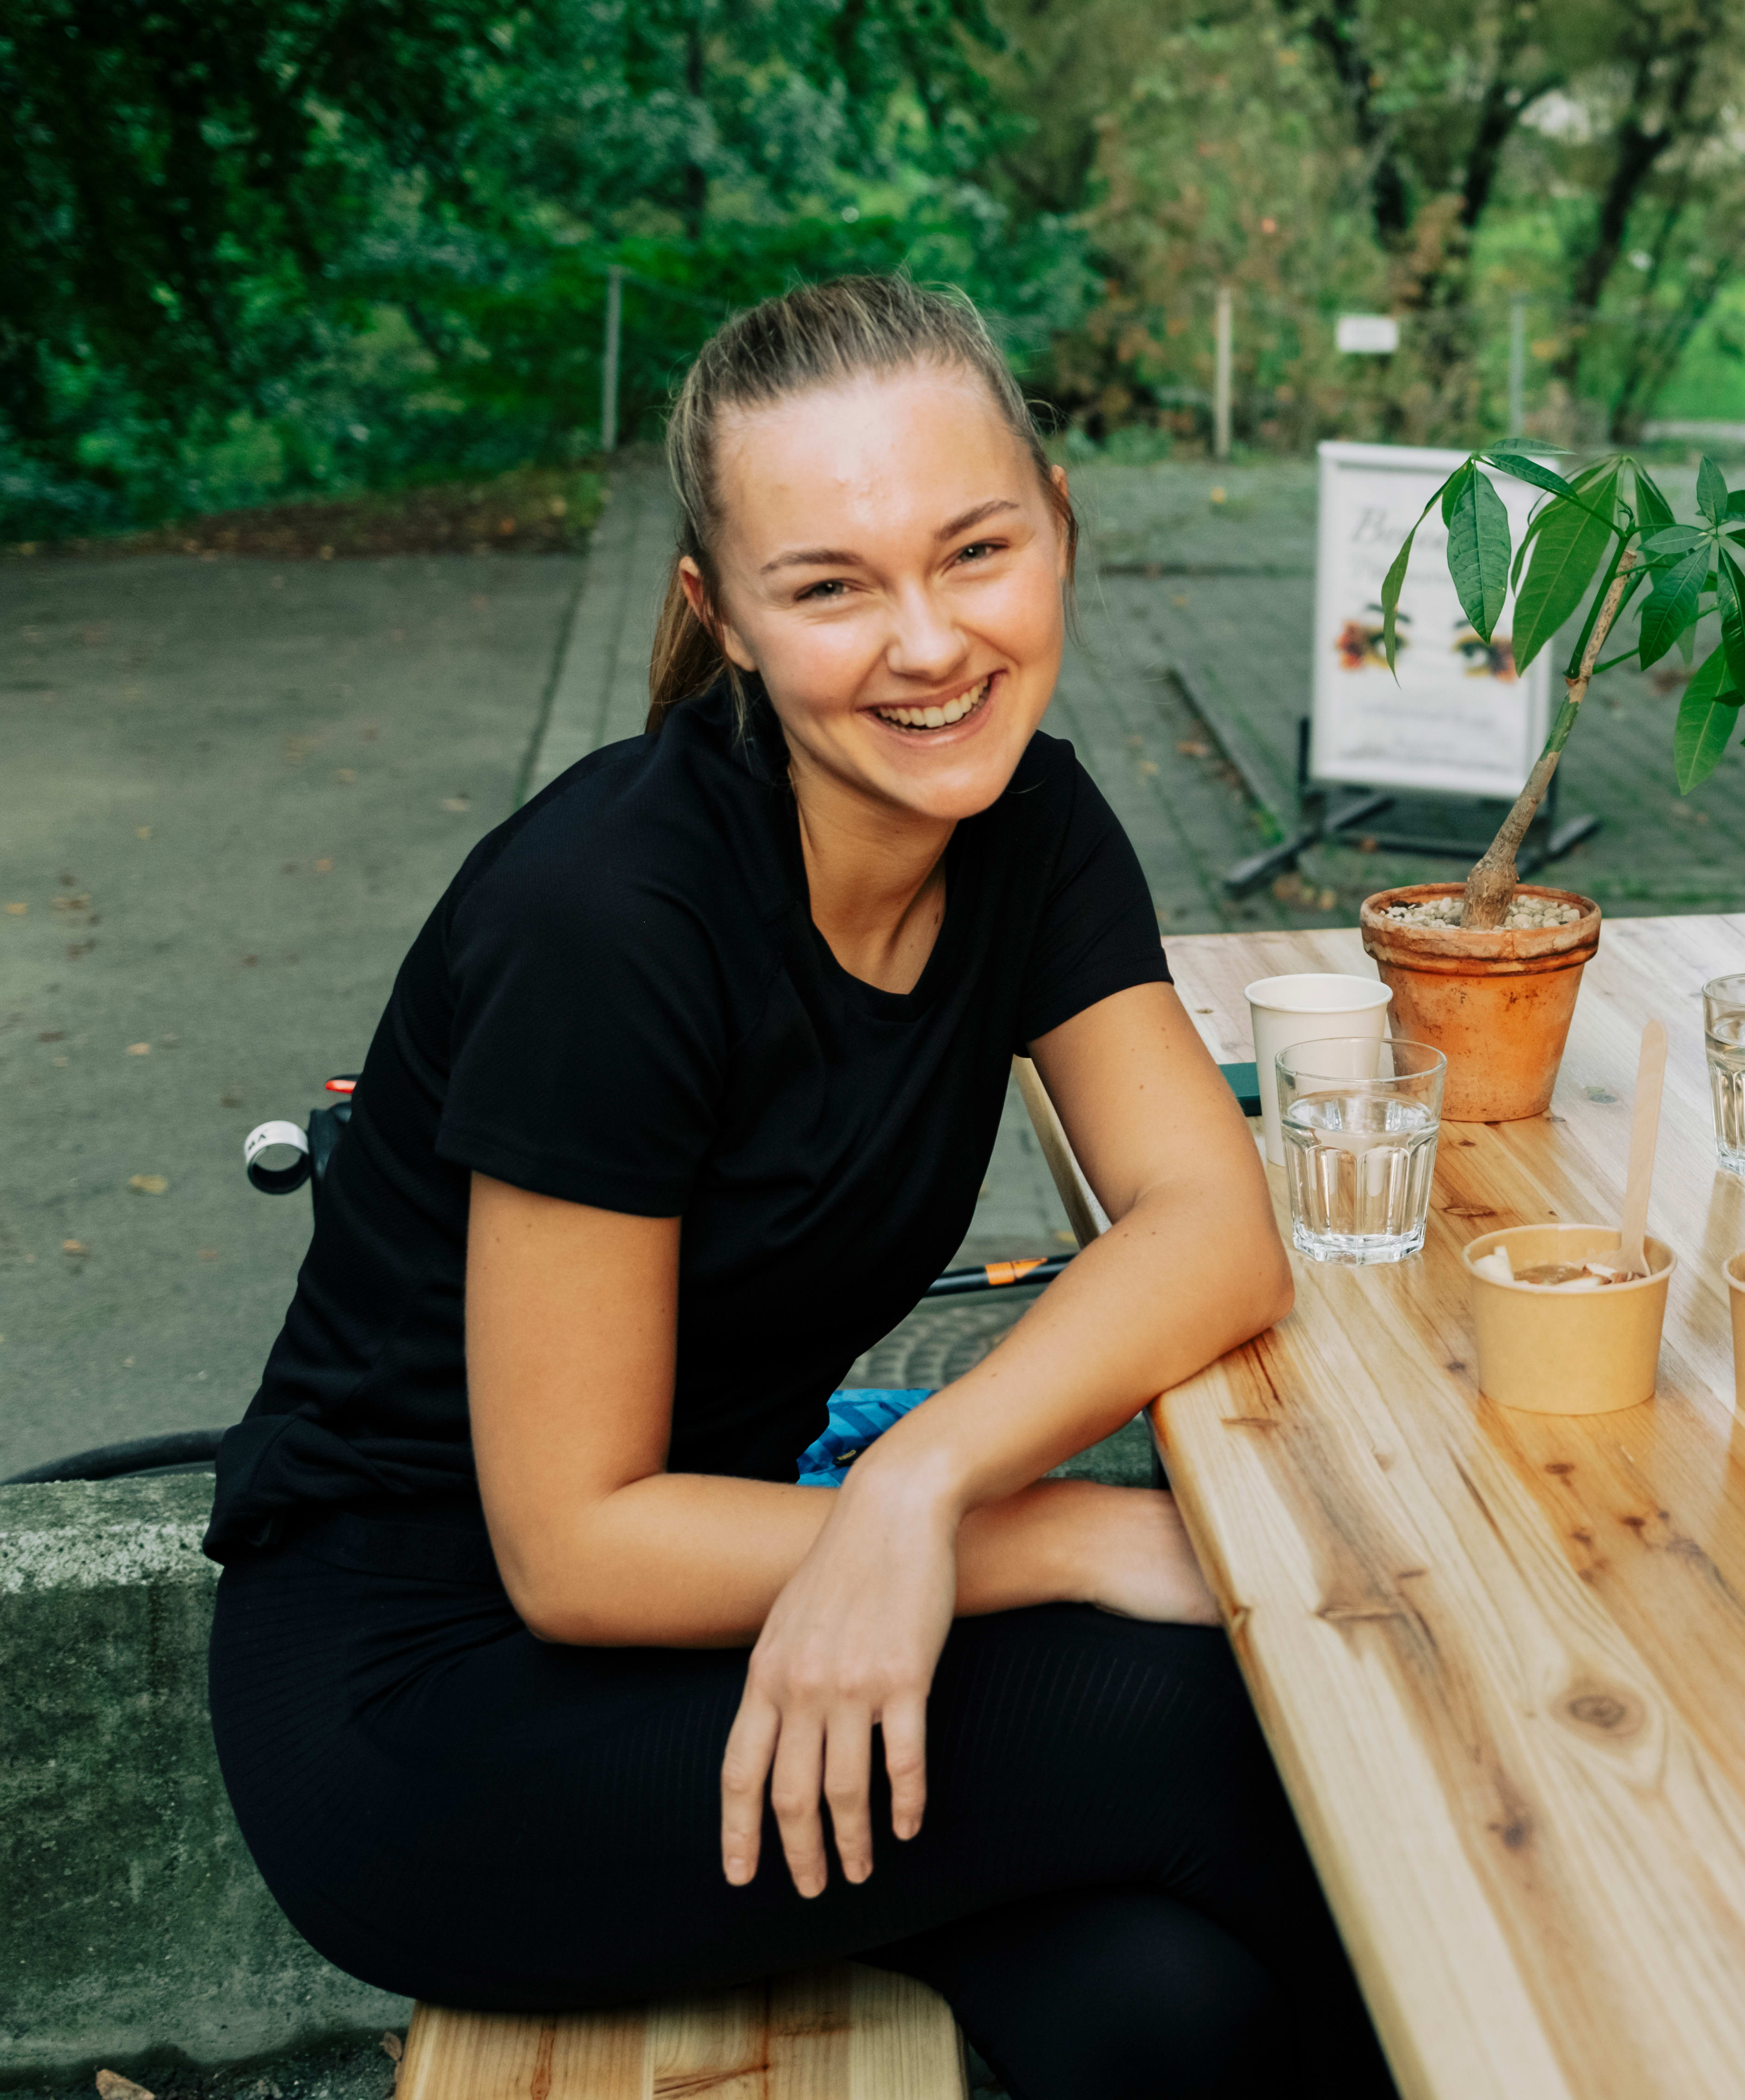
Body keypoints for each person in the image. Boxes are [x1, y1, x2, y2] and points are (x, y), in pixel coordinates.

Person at [203, 276, 1393, 2099]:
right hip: (438, 1695)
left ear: (1058, 531)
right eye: (831, 585)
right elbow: (574, 1546)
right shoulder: (613, 921)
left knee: (1165, 2001)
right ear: (724, 618)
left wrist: (918, 1481)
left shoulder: (1032, 822)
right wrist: (1062, 1533)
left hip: (753, 1576)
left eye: (974, 550)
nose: (927, 642)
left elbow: (1212, 1222)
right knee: (1229, 1732)